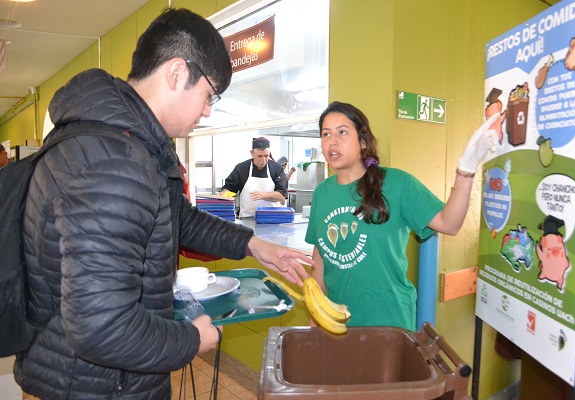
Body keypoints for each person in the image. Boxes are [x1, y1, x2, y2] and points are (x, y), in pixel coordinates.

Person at [14, 9, 312, 400]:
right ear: (176, 73)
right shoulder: (115, 162)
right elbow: (101, 328)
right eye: (209, 94)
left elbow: (177, 218)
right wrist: (190, 339)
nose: (208, 110)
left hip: (94, 375)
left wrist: (252, 245)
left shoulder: (129, 141)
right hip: (94, 385)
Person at [305, 101, 499, 331]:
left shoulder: (397, 183)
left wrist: (465, 170)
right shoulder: (322, 193)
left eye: (342, 132)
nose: (332, 142)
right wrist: (315, 317)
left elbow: (450, 223)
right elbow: (319, 257)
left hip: (389, 320)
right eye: (326, 134)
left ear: (363, 141)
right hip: (337, 319)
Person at [220, 137, 287, 217]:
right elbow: (229, 189)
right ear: (252, 153)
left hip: (272, 219)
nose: (263, 160)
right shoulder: (241, 169)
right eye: (259, 156)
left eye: (266, 156)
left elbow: (282, 194)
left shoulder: (276, 169)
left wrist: (263, 195)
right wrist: (223, 195)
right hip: (247, 219)